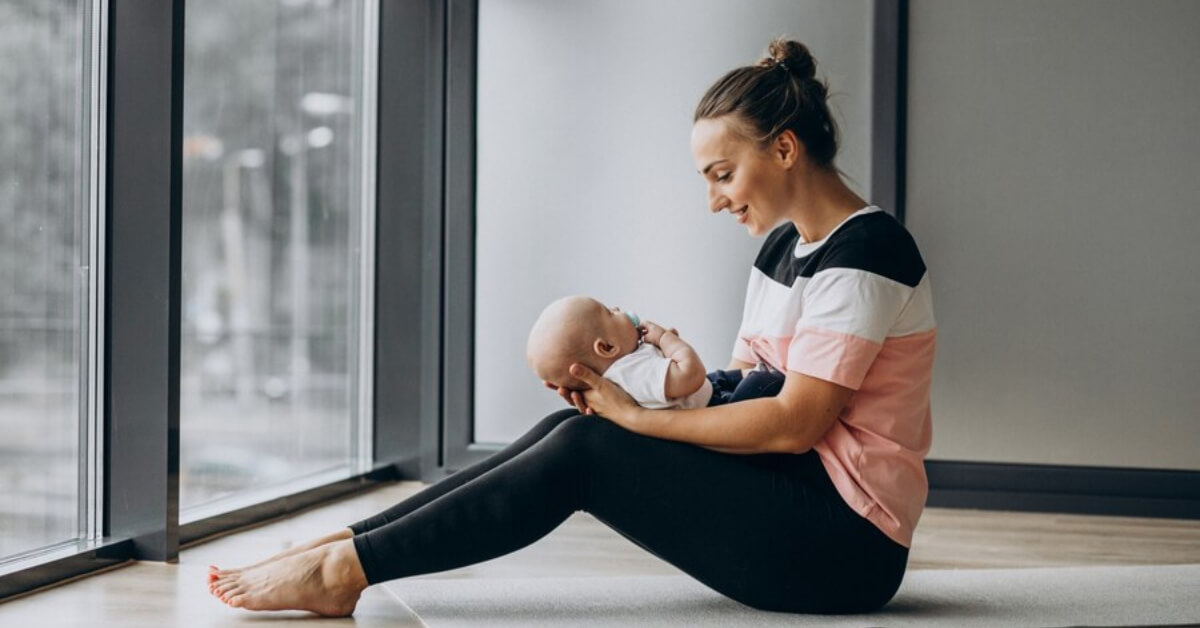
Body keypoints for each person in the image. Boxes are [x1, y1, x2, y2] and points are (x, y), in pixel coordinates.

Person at [207, 37, 935, 616]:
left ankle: (343, 568)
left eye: (721, 173)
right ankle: (350, 545)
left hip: (844, 547)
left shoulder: (866, 253)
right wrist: (643, 386)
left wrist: (637, 422)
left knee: (591, 447)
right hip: (791, 495)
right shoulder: (784, 245)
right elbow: (746, 385)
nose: (713, 200)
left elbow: (791, 425)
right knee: (576, 431)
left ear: (784, 148)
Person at [525, 294, 784, 410]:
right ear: (606, 348)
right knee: (763, 383)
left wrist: (663, 349)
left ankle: (752, 374)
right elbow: (691, 374)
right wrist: (667, 339)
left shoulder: (624, 369)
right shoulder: (632, 373)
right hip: (712, 408)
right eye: (609, 311)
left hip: (705, 393)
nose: (617, 308)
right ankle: (774, 378)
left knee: (726, 377)